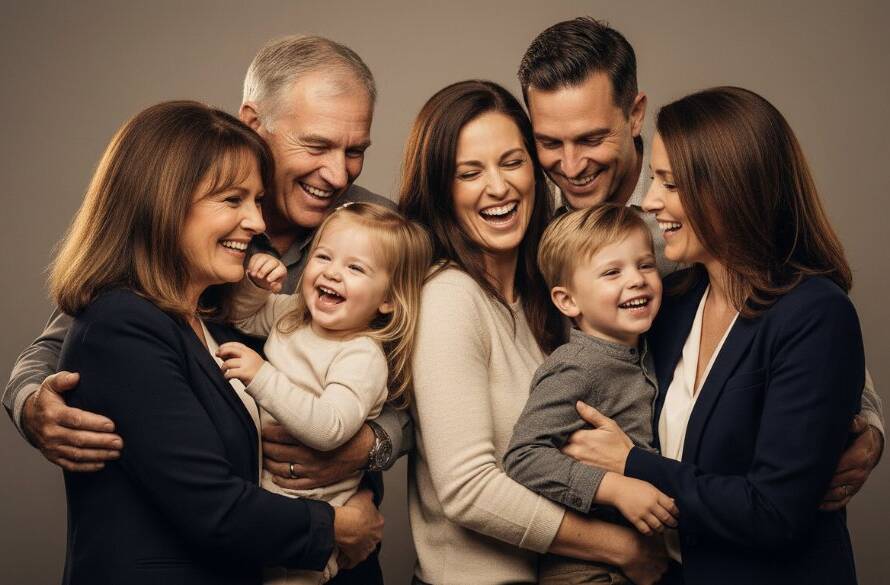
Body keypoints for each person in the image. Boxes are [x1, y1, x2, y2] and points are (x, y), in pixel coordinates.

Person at [4, 37, 406, 580]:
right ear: (254, 123)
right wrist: (31, 403)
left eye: (355, 150)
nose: (337, 175)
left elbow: (429, 386)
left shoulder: (383, 232)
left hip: (332, 546)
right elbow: (76, 337)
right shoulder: (161, 262)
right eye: (317, 145)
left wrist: (366, 444)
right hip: (243, 543)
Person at [517, 15, 883, 511]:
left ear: (635, 114)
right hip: (590, 511)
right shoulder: (523, 221)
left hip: (692, 512)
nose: (571, 164)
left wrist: (867, 423)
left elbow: (804, 329)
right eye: (549, 143)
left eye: (590, 139)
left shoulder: (694, 218)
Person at [564, 87, 864, 584]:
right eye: (654, 179)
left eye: (671, 183)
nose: (651, 201)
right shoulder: (673, 304)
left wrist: (631, 464)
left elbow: (775, 513)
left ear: (732, 190)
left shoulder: (816, 315)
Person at [400, 79, 667, 585]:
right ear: (441, 189)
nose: (498, 187)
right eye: (469, 172)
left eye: (512, 162)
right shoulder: (449, 297)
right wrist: (621, 548)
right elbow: (468, 490)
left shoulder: (551, 292)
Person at [217, 202, 431, 584]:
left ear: (387, 299)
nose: (332, 272)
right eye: (324, 256)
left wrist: (262, 377)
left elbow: (330, 428)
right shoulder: (293, 315)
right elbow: (242, 316)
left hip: (315, 513)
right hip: (271, 502)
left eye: (355, 268)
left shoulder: (362, 356)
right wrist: (256, 286)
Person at [504, 204, 676, 584]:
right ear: (568, 301)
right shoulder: (576, 366)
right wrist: (616, 488)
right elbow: (524, 457)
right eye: (612, 272)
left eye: (645, 265)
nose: (637, 280)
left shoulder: (646, 350)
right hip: (586, 573)